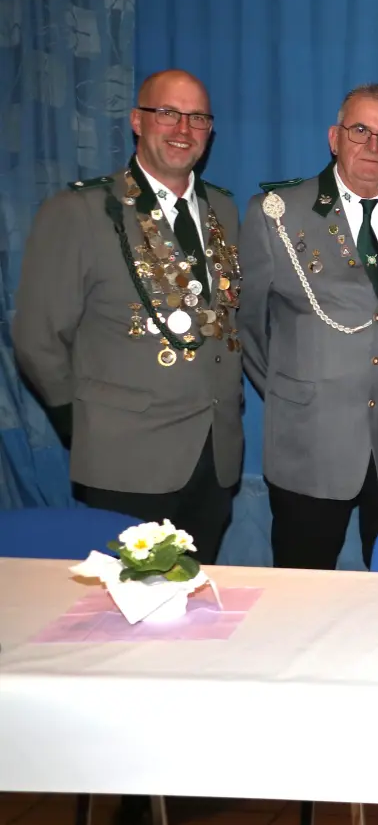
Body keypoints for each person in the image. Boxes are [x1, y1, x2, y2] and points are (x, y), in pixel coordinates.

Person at [15, 69, 242, 563]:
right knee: (128, 617)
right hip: (127, 459)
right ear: (137, 121)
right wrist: (85, 423)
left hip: (214, 456)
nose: (183, 130)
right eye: (168, 114)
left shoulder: (221, 208)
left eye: (197, 118)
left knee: (190, 606)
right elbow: (37, 337)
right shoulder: (82, 211)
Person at [237, 83, 378, 570]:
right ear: (335, 138)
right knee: (300, 595)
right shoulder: (277, 213)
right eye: (360, 131)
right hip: (310, 442)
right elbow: (247, 325)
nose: (373, 147)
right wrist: (297, 390)